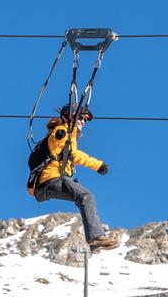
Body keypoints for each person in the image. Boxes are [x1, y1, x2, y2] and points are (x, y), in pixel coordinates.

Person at [30, 104, 118, 252]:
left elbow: (74, 155)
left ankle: (95, 240)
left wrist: (97, 165)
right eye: (81, 118)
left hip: (51, 181)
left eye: (85, 120)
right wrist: (65, 134)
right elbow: (59, 144)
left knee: (85, 197)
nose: (83, 122)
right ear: (71, 117)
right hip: (53, 178)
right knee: (86, 196)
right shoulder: (61, 131)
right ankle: (95, 238)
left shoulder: (70, 135)